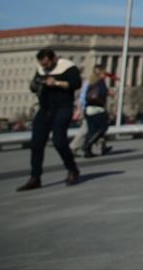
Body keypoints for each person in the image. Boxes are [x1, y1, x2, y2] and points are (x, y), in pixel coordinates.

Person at [17, 49, 82, 191]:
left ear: (54, 59)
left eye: (47, 64)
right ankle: (35, 177)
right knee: (36, 143)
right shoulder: (41, 69)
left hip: (63, 107)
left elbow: (76, 84)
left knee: (59, 141)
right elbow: (35, 84)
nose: (45, 67)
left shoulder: (68, 66)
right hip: (45, 108)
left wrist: (57, 83)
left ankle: (72, 169)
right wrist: (34, 86)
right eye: (42, 64)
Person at [81, 65, 112, 157]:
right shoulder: (101, 82)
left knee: (91, 130)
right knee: (102, 128)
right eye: (104, 73)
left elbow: (85, 94)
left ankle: (88, 151)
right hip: (98, 109)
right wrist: (108, 92)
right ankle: (87, 145)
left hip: (88, 109)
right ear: (102, 73)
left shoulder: (90, 81)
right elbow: (102, 93)